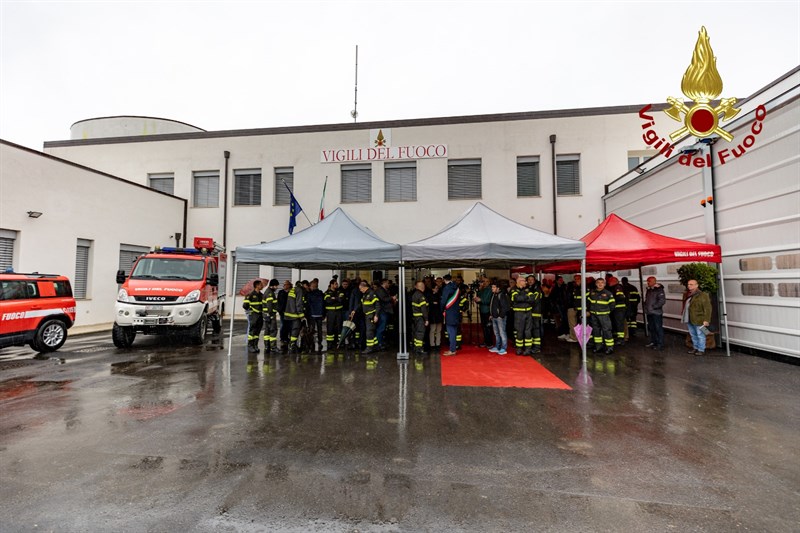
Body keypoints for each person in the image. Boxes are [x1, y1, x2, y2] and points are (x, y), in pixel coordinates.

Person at [682, 278, 712, 356]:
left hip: (699, 319)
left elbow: (707, 308)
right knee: (693, 334)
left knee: (700, 335)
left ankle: (701, 349)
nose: (689, 286)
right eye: (688, 284)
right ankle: (695, 348)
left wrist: (706, 320)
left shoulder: (703, 295)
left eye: (691, 284)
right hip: (690, 318)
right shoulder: (688, 294)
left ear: (696, 285)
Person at [587, 277, 615, 354]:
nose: (600, 284)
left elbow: (612, 305)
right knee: (596, 331)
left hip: (604, 316)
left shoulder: (608, 293)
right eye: (598, 283)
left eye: (602, 283)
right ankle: (598, 347)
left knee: (607, 331)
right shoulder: (592, 293)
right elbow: (588, 303)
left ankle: (609, 348)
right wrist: (589, 311)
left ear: (604, 284)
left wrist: (607, 312)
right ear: (596, 284)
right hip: (594, 315)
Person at [351, 280, 380, 354]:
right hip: (367, 315)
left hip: (371, 315)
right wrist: (354, 310)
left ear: (364, 287)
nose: (360, 290)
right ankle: (375, 346)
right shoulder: (365, 295)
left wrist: (376, 315)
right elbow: (361, 304)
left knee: (369, 331)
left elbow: (377, 305)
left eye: (360, 289)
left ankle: (369, 348)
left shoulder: (371, 294)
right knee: (371, 331)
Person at [510, 276, 533, 355]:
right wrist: (526, 297)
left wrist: (523, 298)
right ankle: (519, 348)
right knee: (519, 331)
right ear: (519, 282)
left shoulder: (528, 289)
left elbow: (532, 298)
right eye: (524, 281)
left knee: (528, 331)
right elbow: (516, 298)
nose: (526, 282)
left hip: (528, 312)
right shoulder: (513, 289)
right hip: (519, 313)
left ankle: (528, 349)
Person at [440, 274, 461, 356]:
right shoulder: (456, 287)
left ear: (444, 280)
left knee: (450, 332)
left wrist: (441, 310)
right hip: (456, 311)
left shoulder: (447, 288)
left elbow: (443, 300)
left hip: (449, 312)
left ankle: (452, 350)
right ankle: (453, 348)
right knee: (454, 331)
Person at [644, 276, 666, 350]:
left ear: (654, 281)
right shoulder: (649, 289)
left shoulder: (659, 289)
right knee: (652, 328)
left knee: (658, 328)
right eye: (647, 281)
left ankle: (660, 344)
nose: (648, 282)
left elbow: (662, 301)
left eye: (649, 281)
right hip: (650, 312)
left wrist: (654, 307)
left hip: (656, 313)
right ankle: (654, 342)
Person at [488, 281, 509, 355]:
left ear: (498, 288)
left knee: (502, 332)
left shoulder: (502, 295)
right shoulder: (494, 295)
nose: (492, 288)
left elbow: (505, 307)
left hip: (500, 318)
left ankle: (504, 348)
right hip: (494, 317)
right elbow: (493, 306)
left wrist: (501, 316)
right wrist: (491, 314)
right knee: (497, 333)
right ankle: (497, 347)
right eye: (492, 287)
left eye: (494, 287)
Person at [243, 279, 264, 353]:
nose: (262, 286)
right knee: (252, 330)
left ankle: (255, 345)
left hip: (260, 315)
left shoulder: (261, 295)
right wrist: (251, 310)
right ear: (257, 286)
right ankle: (250, 345)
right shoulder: (250, 295)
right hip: (253, 315)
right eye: (261, 285)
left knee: (257, 331)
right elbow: (245, 305)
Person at [324, 279, 345, 351]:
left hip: (339, 312)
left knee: (339, 327)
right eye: (336, 284)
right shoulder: (327, 292)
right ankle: (330, 343)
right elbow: (328, 301)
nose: (337, 285)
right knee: (330, 328)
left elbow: (341, 300)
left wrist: (333, 298)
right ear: (331, 285)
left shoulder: (340, 291)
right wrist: (337, 298)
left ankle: (340, 342)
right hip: (330, 313)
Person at [284, 280, 305, 354]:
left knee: (292, 330)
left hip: (289, 314)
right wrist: (301, 315)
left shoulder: (292, 290)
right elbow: (299, 303)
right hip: (295, 314)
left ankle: (292, 344)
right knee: (295, 330)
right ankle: (292, 345)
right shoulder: (299, 291)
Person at [410, 281, 429, 355]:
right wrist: (426, 319)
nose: (423, 287)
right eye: (422, 286)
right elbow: (424, 309)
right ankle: (419, 349)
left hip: (415, 317)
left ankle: (416, 347)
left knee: (416, 332)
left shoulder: (414, 294)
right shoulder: (421, 296)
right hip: (420, 317)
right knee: (420, 333)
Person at [608, 276, 627, 346]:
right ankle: (618, 337)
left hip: (619, 308)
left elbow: (620, 297)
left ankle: (621, 339)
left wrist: (611, 300)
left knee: (619, 323)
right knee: (616, 323)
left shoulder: (618, 287)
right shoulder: (613, 288)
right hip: (616, 309)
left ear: (614, 281)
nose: (608, 282)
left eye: (610, 281)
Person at [474, 276, 492, 348]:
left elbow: (489, 301)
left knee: (488, 327)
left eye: (486, 281)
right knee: (484, 327)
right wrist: (477, 299)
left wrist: (481, 300)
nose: (484, 283)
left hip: (487, 311)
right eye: (483, 281)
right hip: (482, 310)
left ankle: (489, 343)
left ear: (489, 282)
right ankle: (486, 341)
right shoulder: (483, 289)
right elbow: (479, 297)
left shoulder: (490, 290)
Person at [262, 279, 280, 354]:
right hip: (270, 315)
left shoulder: (267, 291)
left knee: (267, 331)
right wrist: (272, 315)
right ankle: (273, 347)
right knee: (273, 331)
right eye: (276, 286)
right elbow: (269, 306)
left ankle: (267, 347)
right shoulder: (270, 293)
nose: (277, 287)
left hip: (266, 315)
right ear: (273, 285)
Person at [528, 276, 544, 354]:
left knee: (536, 330)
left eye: (532, 280)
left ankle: (537, 347)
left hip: (535, 312)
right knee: (531, 329)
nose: (530, 281)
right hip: (530, 312)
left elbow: (534, 300)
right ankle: (533, 346)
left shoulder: (537, 289)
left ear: (534, 281)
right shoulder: (530, 288)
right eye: (529, 280)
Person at [565, 274, 581, 343]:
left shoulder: (575, 287)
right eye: (575, 279)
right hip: (574, 307)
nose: (576, 280)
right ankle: (573, 336)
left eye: (578, 279)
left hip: (573, 307)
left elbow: (570, 297)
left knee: (572, 323)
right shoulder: (574, 287)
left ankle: (574, 337)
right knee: (573, 322)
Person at [428, 277, 443, 351]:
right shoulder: (429, 296)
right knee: (433, 330)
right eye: (436, 288)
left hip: (438, 315)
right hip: (433, 316)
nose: (437, 289)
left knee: (438, 330)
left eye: (437, 288)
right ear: (432, 289)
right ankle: (432, 344)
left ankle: (438, 343)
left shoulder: (439, 295)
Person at [277, 280, 292, 352]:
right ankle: (282, 338)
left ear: (289, 285)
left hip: (289, 312)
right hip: (282, 312)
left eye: (286, 284)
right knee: (283, 325)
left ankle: (287, 338)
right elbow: (278, 301)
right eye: (284, 284)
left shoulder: (291, 292)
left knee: (289, 325)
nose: (284, 286)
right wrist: (279, 309)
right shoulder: (281, 292)